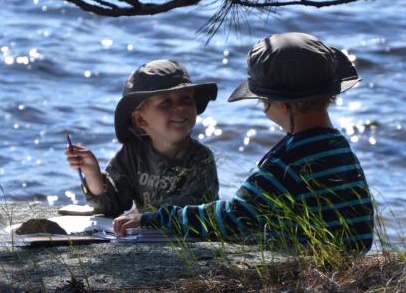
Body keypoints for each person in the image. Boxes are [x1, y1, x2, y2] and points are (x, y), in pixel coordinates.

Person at [113, 33, 374, 253]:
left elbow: (234, 217)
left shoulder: (287, 159)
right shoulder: (338, 145)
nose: (264, 110)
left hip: (305, 262)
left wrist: (155, 219)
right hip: (346, 256)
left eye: (263, 102)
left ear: (281, 105)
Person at [65, 60, 219, 217]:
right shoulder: (132, 153)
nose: (179, 107)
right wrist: (92, 173)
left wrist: (144, 215)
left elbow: (192, 207)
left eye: (186, 99)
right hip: (147, 236)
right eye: (166, 102)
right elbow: (112, 204)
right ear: (140, 120)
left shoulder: (200, 158)